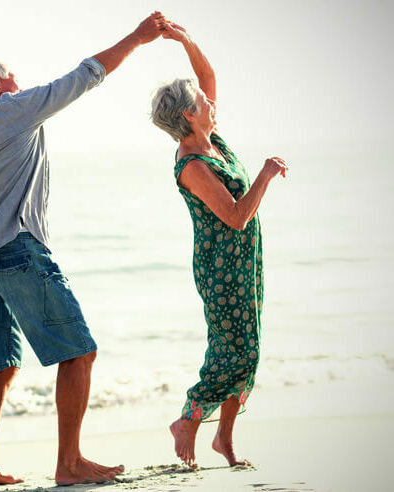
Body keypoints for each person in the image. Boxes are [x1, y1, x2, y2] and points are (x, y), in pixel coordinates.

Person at [0, 12, 167, 488]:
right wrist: (138, 37)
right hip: (16, 250)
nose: (19, 82)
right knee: (79, 353)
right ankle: (69, 462)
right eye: (12, 76)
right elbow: (83, 77)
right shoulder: (12, 108)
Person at [150, 21, 288, 469]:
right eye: (202, 102)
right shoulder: (191, 162)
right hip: (221, 267)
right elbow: (234, 216)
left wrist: (186, 41)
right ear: (189, 115)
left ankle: (224, 440)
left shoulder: (213, 141)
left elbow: (207, 80)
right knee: (237, 350)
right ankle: (189, 419)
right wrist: (265, 176)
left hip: (246, 260)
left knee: (248, 348)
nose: (212, 101)